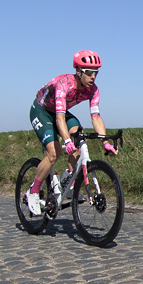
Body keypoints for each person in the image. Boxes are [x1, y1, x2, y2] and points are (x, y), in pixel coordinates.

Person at [22, 50, 118, 217]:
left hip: (61, 112)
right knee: (54, 153)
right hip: (42, 110)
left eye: (96, 73)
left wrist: (105, 142)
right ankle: (33, 191)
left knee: (79, 139)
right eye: (89, 73)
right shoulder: (64, 84)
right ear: (78, 71)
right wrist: (66, 140)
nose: (93, 77)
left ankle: (68, 184)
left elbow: (95, 117)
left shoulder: (93, 90)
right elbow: (59, 118)